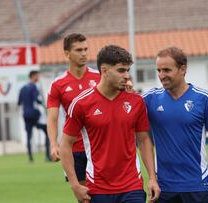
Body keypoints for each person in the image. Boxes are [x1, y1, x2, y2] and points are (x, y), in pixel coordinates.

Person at [60, 44, 160, 203]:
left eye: (128, 70)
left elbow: (144, 140)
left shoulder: (136, 102)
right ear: (105, 71)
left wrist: (152, 178)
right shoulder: (81, 104)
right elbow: (65, 144)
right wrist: (74, 184)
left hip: (132, 186)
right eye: (121, 70)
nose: (127, 76)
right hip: (98, 188)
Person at [142, 46, 208, 203]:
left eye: (167, 70)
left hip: (196, 184)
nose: (162, 75)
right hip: (163, 187)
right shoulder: (149, 99)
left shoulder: (203, 98)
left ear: (182, 69)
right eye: (159, 70)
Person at [47, 33, 100, 186]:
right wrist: (53, 144)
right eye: (78, 50)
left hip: (98, 146)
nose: (83, 54)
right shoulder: (58, 84)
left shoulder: (100, 78)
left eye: (85, 49)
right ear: (67, 54)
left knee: (102, 195)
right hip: (72, 149)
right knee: (84, 196)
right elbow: (52, 118)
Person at [18, 70, 50, 162]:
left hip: (26, 115)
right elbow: (37, 100)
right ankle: (47, 156)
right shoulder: (34, 87)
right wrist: (45, 105)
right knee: (47, 132)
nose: (38, 78)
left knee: (28, 135)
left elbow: (19, 102)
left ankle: (30, 157)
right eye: (37, 76)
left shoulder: (23, 88)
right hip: (35, 115)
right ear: (33, 76)